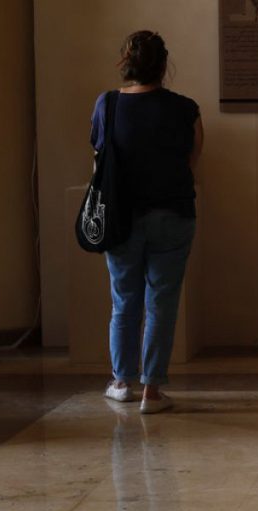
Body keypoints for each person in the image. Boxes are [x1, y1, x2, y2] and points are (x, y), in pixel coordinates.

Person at [92, 30, 203, 414]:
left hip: (121, 216)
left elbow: (98, 157)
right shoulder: (186, 108)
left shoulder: (107, 104)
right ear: (163, 64)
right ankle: (151, 392)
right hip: (173, 213)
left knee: (124, 300)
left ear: (126, 63)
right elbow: (192, 159)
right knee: (162, 303)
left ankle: (122, 382)